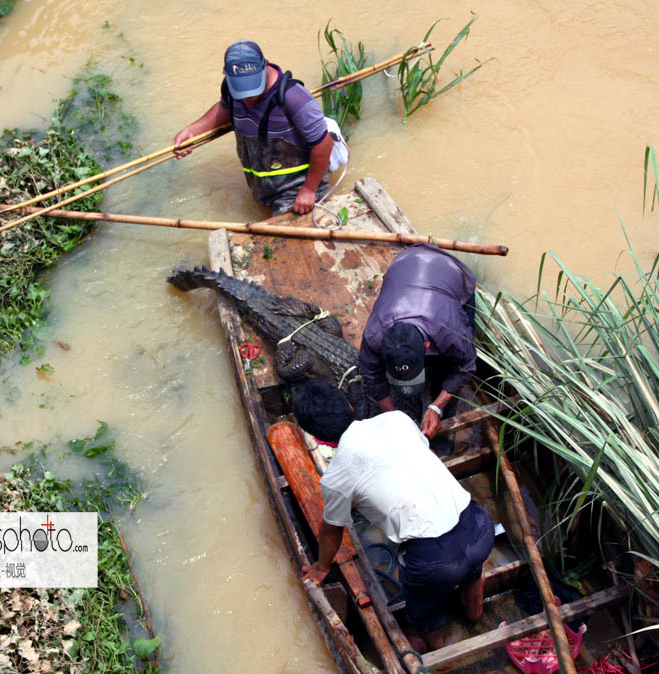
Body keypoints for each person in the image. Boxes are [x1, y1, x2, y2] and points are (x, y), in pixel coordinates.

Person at [293, 379, 494, 651]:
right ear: (350, 406)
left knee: (423, 617)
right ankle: (474, 614)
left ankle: (443, 654)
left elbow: (332, 529)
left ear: (318, 439)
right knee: (471, 570)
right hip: (479, 527)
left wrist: (321, 567)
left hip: (435, 562)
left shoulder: (336, 475)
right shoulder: (397, 419)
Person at [173, 40, 333, 216]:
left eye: (253, 89)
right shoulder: (230, 90)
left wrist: (309, 189)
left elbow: (324, 144)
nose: (248, 98)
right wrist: (192, 131)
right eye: (242, 92)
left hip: (295, 189)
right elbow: (225, 109)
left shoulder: (294, 99)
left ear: (265, 67)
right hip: (262, 187)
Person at [358, 243, 477, 439]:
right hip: (404, 264)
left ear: (426, 345)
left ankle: (441, 431)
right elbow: (371, 374)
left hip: (450, 271)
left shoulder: (450, 329)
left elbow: (466, 363)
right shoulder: (374, 335)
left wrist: (437, 407)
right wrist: (394, 416)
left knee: (448, 366)